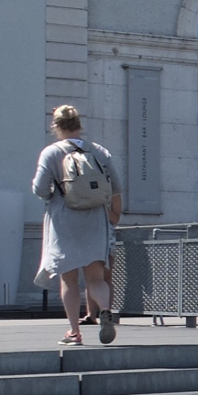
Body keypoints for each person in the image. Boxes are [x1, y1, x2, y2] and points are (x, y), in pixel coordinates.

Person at [30, 104, 122, 346]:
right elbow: (116, 187)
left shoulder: (51, 153)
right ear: (79, 124)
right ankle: (105, 309)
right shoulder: (99, 151)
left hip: (64, 220)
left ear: (56, 127)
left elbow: (40, 189)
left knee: (69, 280)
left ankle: (74, 332)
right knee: (96, 278)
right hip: (96, 220)